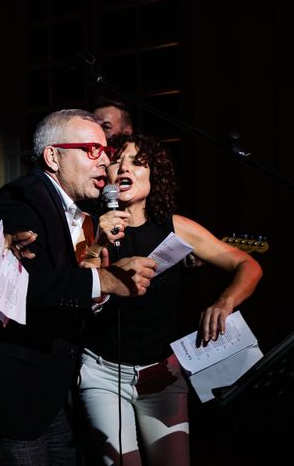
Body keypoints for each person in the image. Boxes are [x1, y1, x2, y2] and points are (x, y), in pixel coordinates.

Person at [0, 109, 158, 465]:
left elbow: (65, 292)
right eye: (91, 149)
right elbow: (29, 287)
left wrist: (98, 277)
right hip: (19, 395)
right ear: (53, 156)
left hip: (54, 393)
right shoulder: (23, 198)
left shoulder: (73, 212)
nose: (105, 161)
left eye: (105, 152)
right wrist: (105, 279)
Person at [79, 133, 263, 466]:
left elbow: (247, 264)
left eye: (137, 162)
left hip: (162, 376)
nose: (124, 167)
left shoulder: (176, 228)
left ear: (154, 176)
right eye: (117, 161)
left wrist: (225, 301)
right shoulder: (87, 226)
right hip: (103, 374)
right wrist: (97, 242)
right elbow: (78, 287)